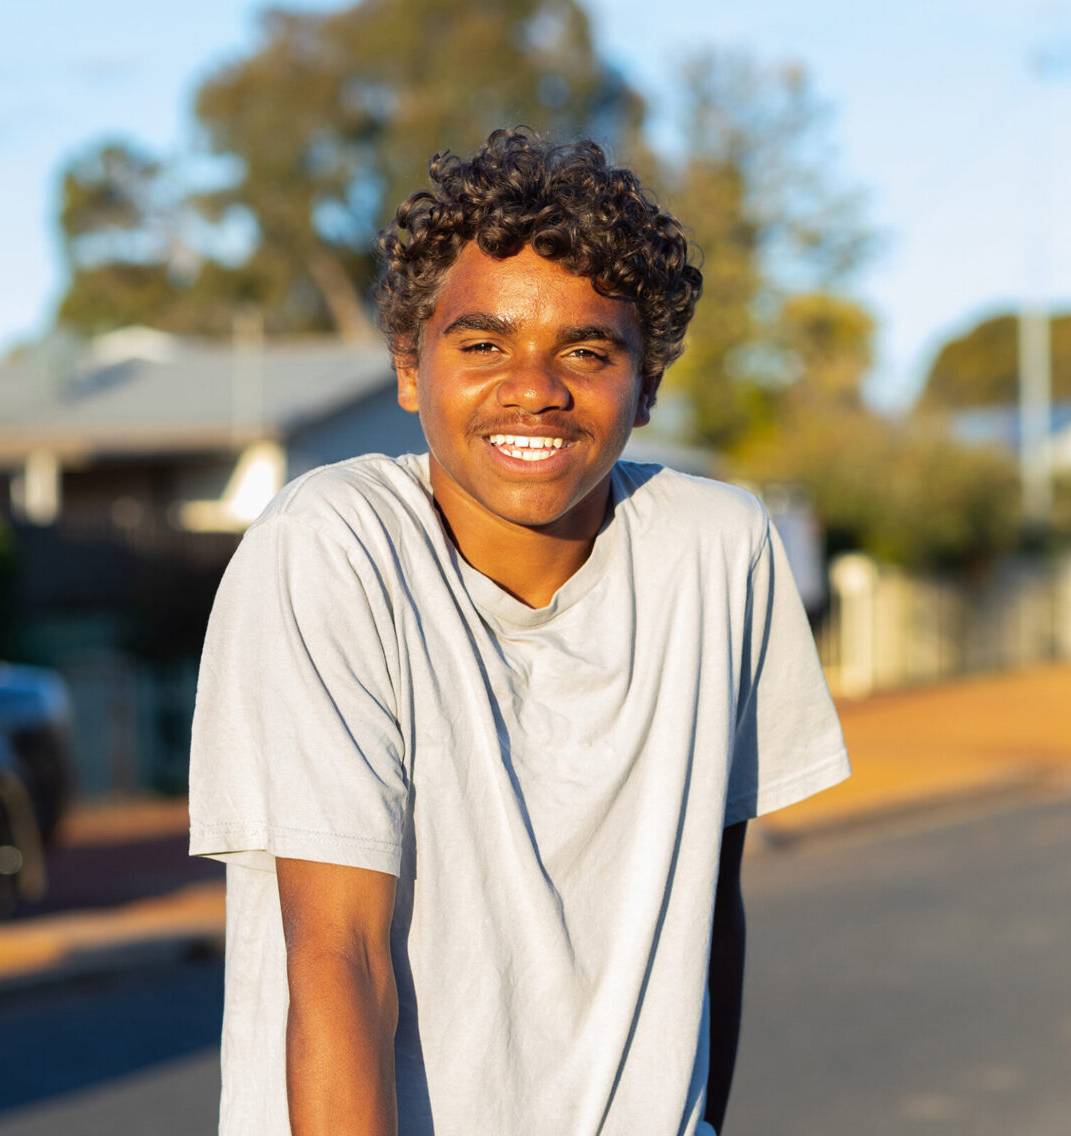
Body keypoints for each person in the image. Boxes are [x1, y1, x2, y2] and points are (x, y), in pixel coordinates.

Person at [188, 126, 850, 1136]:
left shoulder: (720, 550)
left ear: (649, 382)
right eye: (483, 343)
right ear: (411, 369)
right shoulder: (332, 547)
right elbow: (341, 958)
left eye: (586, 349)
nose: (532, 386)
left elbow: (709, 907)